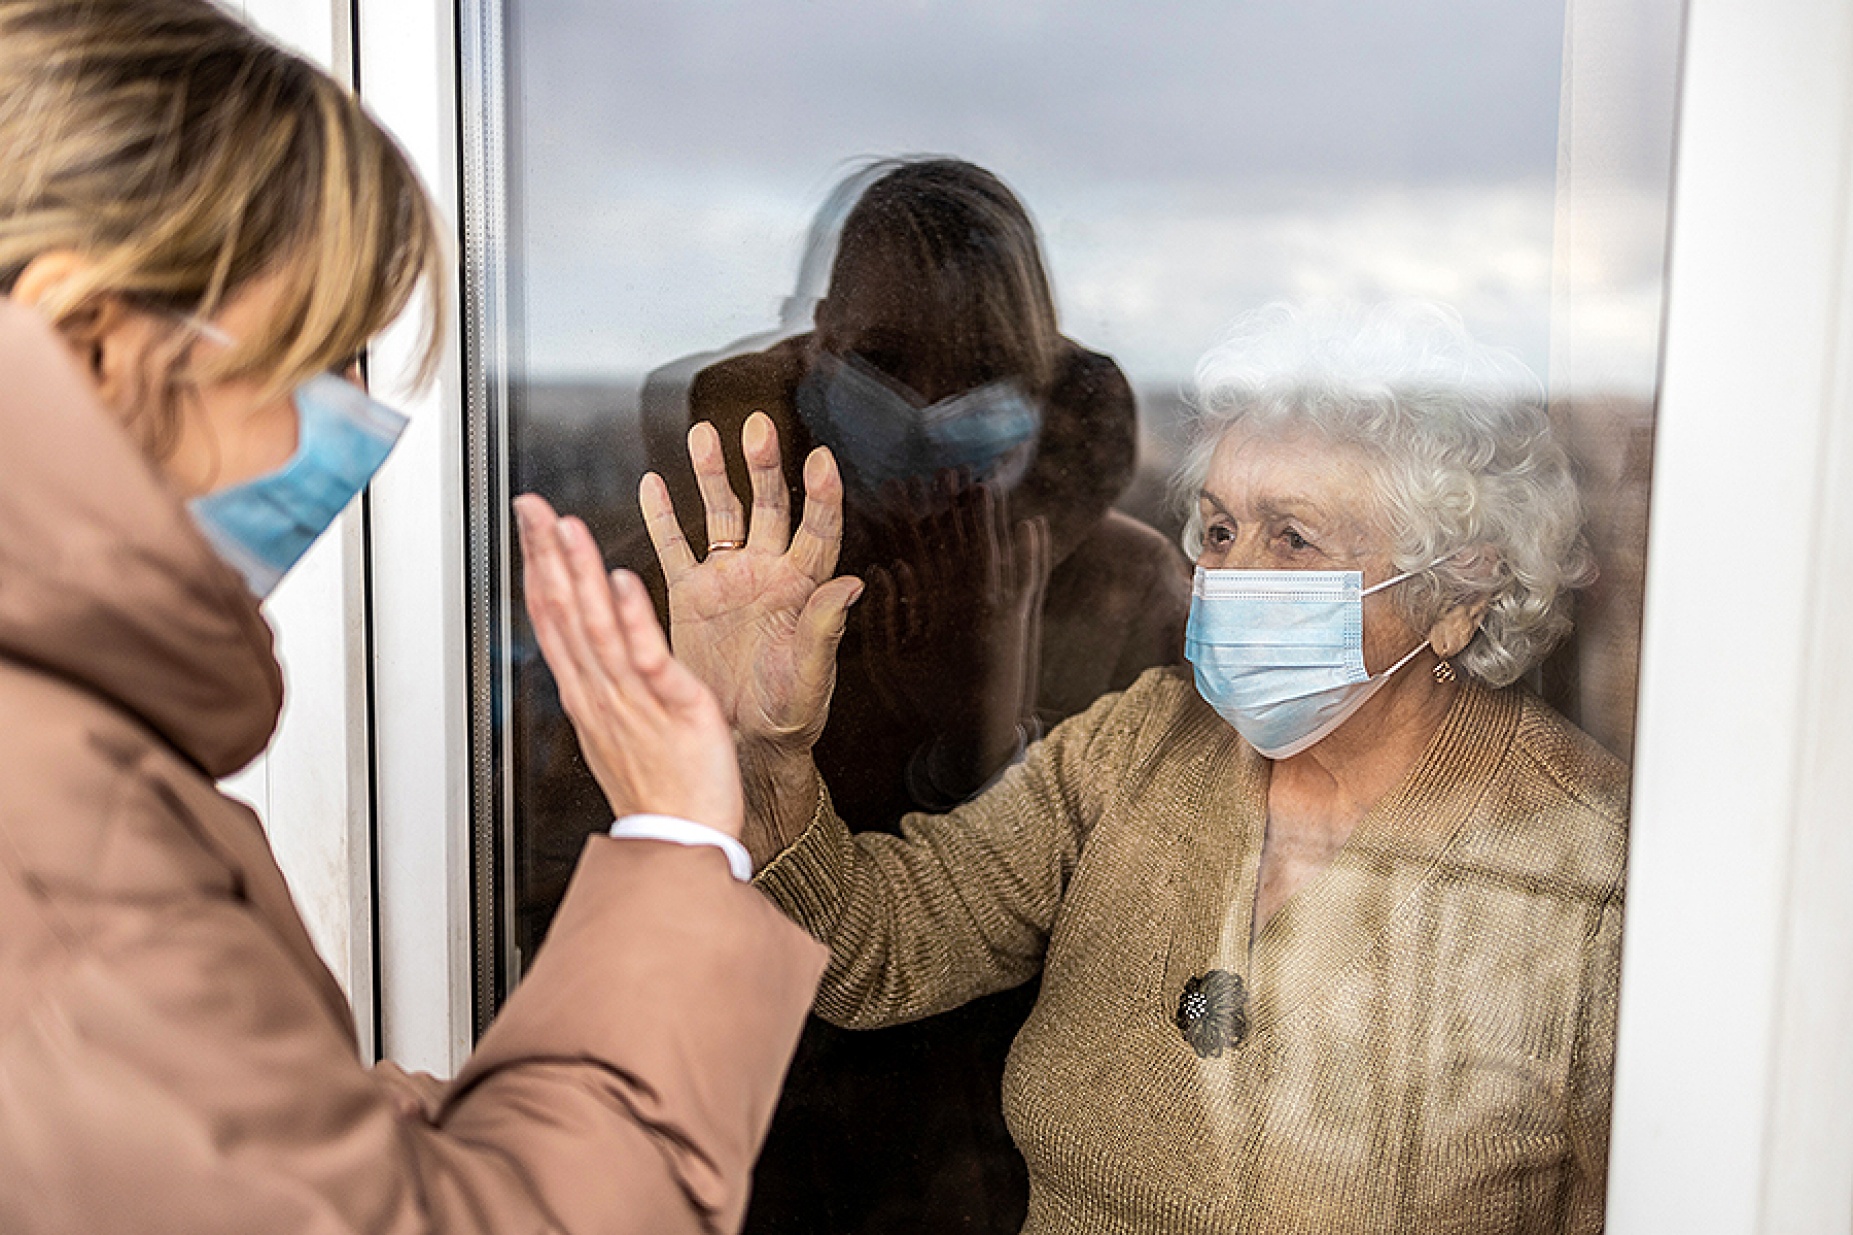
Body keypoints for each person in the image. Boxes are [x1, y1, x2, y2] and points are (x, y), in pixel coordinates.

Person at [0, 3, 824, 1232]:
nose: (353, 429)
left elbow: (255, 1165)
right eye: (315, 358)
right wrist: (675, 840)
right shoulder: (67, 847)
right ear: (90, 338)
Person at [626, 300, 1628, 1233]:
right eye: (1222, 531)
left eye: (1293, 538)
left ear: (1459, 589)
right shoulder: (1142, 740)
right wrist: (763, 753)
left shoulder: (1589, 870)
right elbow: (875, 947)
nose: (1227, 582)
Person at [629, 157, 1191, 1234]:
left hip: (1014, 1151)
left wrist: (983, 711)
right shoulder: (680, 576)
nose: (928, 411)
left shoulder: (1128, 589)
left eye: (980, 371)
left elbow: (1147, 932)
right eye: (883, 361)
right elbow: (558, 890)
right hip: (744, 1134)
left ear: (1040, 377)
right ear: (819, 340)